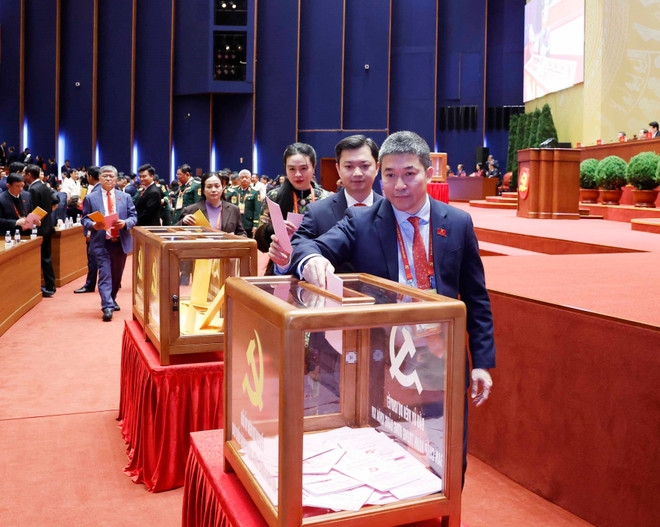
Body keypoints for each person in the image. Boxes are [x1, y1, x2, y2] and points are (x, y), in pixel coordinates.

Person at [289, 130, 496, 478]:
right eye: (390, 175)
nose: (399, 185)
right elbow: (306, 245)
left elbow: (475, 298)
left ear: (429, 172)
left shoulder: (457, 223)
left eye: (409, 174)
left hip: (440, 356)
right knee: (388, 454)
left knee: (444, 456)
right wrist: (312, 260)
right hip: (384, 359)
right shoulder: (361, 221)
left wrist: (482, 362)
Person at [268, 134, 383, 274]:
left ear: (377, 167)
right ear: (338, 169)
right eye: (349, 166)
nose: (357, 173)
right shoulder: (317, 211)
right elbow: (298, 246)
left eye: (364, 166)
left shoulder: (391, 209)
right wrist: (287, 261)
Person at [254, 142, 330, 275]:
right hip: (281, 266)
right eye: (292, 169)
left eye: (303, 168)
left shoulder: (326, 198)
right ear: (286, 169)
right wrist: (274, 229)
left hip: (316, 266)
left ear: (314, 167)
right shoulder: (274, 196)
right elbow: (258, 238)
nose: (298, 174)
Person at [81, 165, 137, 321]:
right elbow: (84, 219)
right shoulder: (91, 198)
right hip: (102, 242)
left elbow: (133, 217)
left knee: (117, 275)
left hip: (119, 241)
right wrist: (93, 225)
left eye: (111, 176)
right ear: (99, 178)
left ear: (116, 179)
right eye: (104, 176)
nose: (108, 179)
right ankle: (107, 306)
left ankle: (111, 298)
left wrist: (125, 223)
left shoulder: (125, 197)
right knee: (105, 274)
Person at [23, 165, 58, 297]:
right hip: (48, 226)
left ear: (29, 174)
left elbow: (31, 209)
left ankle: (47, 287)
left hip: (38, 228)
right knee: (47, 257)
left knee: (41, 258)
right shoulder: (45, 186)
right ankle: (50, 285)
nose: (23, 176)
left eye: (25, 174)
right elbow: (55, 201)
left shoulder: (32, 189)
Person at [176, 171, 246, 236]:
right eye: (209, 187)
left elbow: (242, 233)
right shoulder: (191, 210)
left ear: (223, 188)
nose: (213, 190)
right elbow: (175, 232)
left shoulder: (233, 210)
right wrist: (183, 222)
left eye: (217, 186)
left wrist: (234, 239)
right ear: (203, 190)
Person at [75, 166, 101, 294]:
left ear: (90, 176)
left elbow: (89, 216)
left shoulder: (93, 194)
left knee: (92, 259)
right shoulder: (105, 190)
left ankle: (90, 284)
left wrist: (89, 232)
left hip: (96, 230)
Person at [225, 169, 261, 237]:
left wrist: (255, 225)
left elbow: (257, 210)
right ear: (239, 179)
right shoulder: (233, 191)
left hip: (248, 222)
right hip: (234, 222)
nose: (244, 179)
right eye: (242, 177)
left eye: (246, 177)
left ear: (250, 179)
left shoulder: (255, 192)